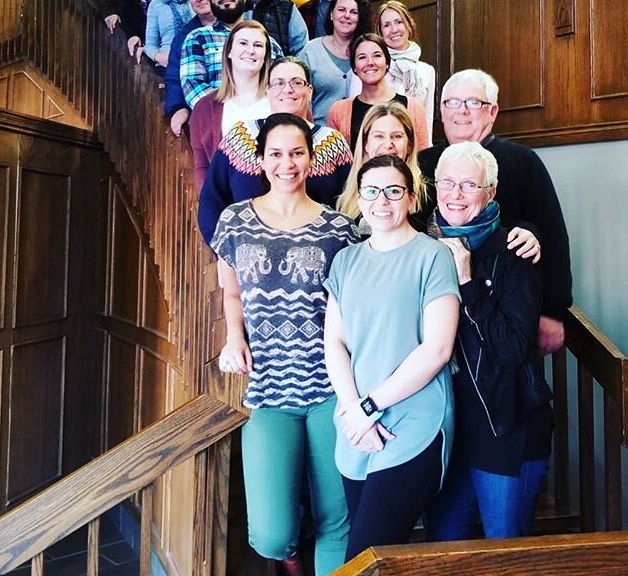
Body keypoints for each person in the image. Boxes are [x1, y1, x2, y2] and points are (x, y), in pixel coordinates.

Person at [211, 113, 358, 576]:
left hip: (331, 390)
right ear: (260, 159)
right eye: (275, 153)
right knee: (272, 534)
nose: (286, 163)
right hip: (269, 391)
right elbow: (230, 291)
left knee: (339, 519)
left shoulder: (339, 229)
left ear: (311, 160)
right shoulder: (235, 221)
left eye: (296, 153)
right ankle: (293, 560)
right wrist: (235, 336)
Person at [323, 154, 460, 561]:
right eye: (371, 191)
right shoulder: (345, 260)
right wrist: (353, 409)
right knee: (373, 557)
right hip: (356, 427)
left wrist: (370, 406)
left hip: (414, 423)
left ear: (411, 197)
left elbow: (438, 348)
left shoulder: (432, 256)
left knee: (363, 558)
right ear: (359, 197)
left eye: (393, 191)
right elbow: (335, 344)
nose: (382, 200)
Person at [425, 141, 554, 540]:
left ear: (491, 192)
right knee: (441, 552)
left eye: (469, 185)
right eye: (447, 183)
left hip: (506, 425)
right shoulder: (422, 250)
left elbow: (512, 349)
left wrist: (467, 281)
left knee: (505, 550)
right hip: (447, 428)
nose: (455, 194)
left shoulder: (515, 251)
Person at [417, 69, 572, 355]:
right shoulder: (422, 164)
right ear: (440, 111)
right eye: (451, 102)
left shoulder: (523, 161)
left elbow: (554, 237)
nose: (461, 112)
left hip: (505, 318)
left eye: (473, 103)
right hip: (436, 315)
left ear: (493, 112)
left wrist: (553, 310)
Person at [199, 56, 352, 245]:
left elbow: (350, 203)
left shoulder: (333, 142)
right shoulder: (240, 136)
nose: (287, 89)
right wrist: (226, 254)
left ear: (310, 91)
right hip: (249, 261)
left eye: (297, 82)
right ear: (267, 90)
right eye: (278, 83)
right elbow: (212, 199)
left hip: (319, 259)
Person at [179, 0, 283, 110]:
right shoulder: (198, 39)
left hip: (265, 122)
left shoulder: (268, 43)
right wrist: (233, 112)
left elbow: (280, 86)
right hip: (217, 123)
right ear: (211, 1)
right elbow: (193, 87)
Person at [189, 20, 272, 193]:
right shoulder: (204, 108)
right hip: (228, 208)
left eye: (258, 45)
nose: (250, 50)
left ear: (265, 56)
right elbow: (201, 165)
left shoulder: (282, 100)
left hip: (279, 208)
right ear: (229, 52)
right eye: (243, 43)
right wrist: (211, 206)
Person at [326, 33, 429, 152]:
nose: (370, 62)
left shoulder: (414, 108)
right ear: (354, 67)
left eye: (377, 55)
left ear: (387, 63)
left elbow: (422, 159)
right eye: (362, 57)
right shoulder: (338, 111)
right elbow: (335, 163)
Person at [337, 101, 422, 225]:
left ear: (409, 145)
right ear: (365, 143)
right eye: (379, 136)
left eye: (397, 136)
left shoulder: (427, 195)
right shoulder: (346, 196)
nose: (388, 145)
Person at [299, 0, 374, 124]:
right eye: (341, 10)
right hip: (320, 135)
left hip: (362, 135)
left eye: (353, 12)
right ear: (331, 14)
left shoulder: (368, 51)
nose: (347, 16)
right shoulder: (311, 51)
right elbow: (301, 97)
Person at [163, 0, 215, 137]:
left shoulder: (238, 26)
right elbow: (174, 77)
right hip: (205, 117)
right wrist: (178, 107)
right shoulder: (183, 37)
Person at [377, 0, 436, 142]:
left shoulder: (427, 71)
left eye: (399, 22)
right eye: (386, 25)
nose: (394, 29)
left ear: (409, 25)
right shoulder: (376, 68)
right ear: (380, 32)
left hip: (414, 146)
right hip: (382, 145)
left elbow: (427, 119)